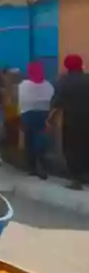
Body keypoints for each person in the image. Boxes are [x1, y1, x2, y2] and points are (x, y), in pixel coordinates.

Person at [50, 54, 89, 189]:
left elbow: (56, 101)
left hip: (72, 120)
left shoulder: (63, 81)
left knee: (72, 148)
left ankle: (77, 179)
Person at [18, 61, 54, 179]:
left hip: (28, 115)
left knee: (29, 140)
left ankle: (32, 167)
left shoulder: (24, 85)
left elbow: (20, 101)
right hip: (44, 114)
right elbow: (51, 99)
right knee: (41, 139)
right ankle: (41, 164)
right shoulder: (48, 85)